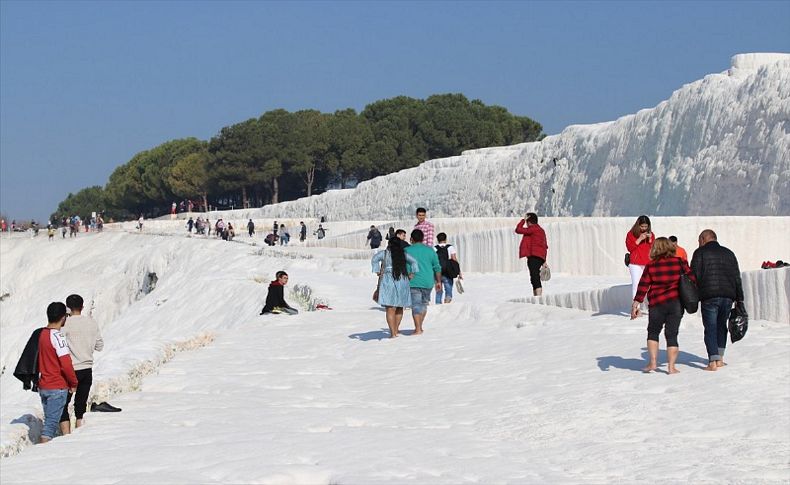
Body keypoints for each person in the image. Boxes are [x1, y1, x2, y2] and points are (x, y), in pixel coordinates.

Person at [630, 237, 695, 374]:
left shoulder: (651, 265)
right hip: (676, 303)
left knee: (653, 332)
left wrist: (636, 303)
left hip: (656, 304)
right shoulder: (680, 262)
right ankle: (671, 367)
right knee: (672, 335)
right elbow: (692, 279)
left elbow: (643, 285)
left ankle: (653, 362)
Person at [691, 229, 745, 372]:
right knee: (722, 326)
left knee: (710, 327)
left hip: (709, 296)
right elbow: (736, 277)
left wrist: (692, 297)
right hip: (728, 296)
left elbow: (693, 276)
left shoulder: (700, 253)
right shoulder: (729, 253)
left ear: (703, 239)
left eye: (699, 241)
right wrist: (740, 299)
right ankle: (720, 359)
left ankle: (712, 361)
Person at [59, 294, 104, 434]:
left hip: (70, 370)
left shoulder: (65, 324)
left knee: (63, 405)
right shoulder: (91, 323)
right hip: (87, 369)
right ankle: (80, 434)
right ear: (82, 307)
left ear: (67, 308)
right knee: (80, 405)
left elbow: (58, 343)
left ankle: (67, 435)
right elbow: (99, 346)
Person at [36, 302, 78, 443]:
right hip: (57, 387)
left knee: (49, 421)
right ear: (62, 318)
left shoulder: (41, 334)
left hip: (44, 386)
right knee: (50, 427)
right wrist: (73, 382)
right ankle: (40, 457)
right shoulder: (58, 337)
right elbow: (66, 363)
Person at [372, 237, 419, 338]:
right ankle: (396, 329)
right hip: (402, 279)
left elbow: (374, 259)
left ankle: (392, 332)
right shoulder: (403, 254)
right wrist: (412, 273)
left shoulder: (384, 253)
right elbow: (414, 262)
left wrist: (377, 271)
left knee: (390, 308)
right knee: (399, 307)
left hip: (388, 280)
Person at [404, 229, 442, 335]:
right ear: (423, 239)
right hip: (428, 281)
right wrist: (438, 282)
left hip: (413, 281)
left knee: (416, 305)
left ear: (411, 239)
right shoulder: (430, 251)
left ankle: (418, 328)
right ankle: (419, 327)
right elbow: (437, 267)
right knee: (424, 304)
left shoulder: (406, 250)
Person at [515, 212, 548, 296]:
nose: (526, 224)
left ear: (529, 222)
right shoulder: (541, 230)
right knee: (534, 276)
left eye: (527, 222)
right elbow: (544, 246)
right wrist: (544, 260)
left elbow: (518, 229)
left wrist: (523, 220)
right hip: (539, 257)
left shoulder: (533, 229)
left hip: (534, 256)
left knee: (534, 276)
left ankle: (538, 296)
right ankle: (536, 296)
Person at [625, 215, 654, 298]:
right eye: (642, 226)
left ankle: (650, 305)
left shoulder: (651, 234)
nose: (644, 228)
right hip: (635, 263)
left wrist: (650, 240)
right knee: (636, 284)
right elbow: (630, 248)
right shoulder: (631, 234)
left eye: (646, 226)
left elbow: (654, 249)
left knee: (649, 285)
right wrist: (639, 239)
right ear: (638, 225)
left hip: (648, 263)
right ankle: (636, 308)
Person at [434, 232, 463, 304]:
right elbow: (454, 259)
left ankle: (437, 308)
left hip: (437, 273)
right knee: (448, 291)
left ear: (437, 240)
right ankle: (446, 306)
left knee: (438, 292)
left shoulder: (434, 248)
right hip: (448, 272)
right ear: (446, 239)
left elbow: (432, 261)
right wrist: (459, 272)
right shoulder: (450, 247)